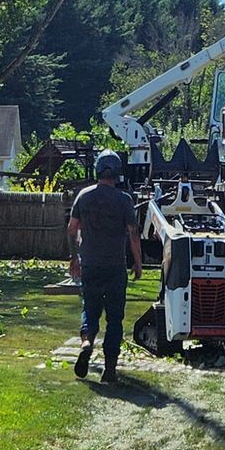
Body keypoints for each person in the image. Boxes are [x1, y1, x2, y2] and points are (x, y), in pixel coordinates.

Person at [67, 149, 144, 383]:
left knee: (90, 310)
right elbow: (133, 234)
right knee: (114, 319)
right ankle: (109, 370)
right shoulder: (124, 200)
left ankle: (87, 342)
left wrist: (74, 257)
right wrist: (138, 263)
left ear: (98, 170)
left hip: (90, 264)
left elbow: (72, 229)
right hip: (115, 267)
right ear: (118, 172)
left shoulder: (84, 196)